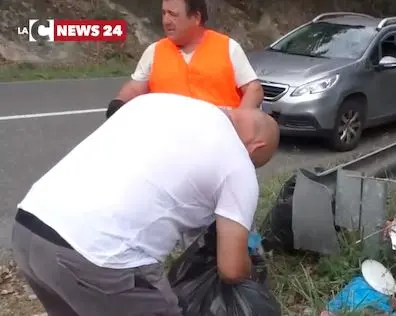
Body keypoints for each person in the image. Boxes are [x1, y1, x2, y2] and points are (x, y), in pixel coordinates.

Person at [11, 92, 279, 316]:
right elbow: (232, 269)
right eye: (256, 163)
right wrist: (254, 280)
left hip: (29, 230)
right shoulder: (238, 163)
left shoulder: (159, 102)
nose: (251, 167)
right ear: (257, 146)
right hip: (97, 258)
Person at [106, 0, 264, 118]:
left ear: (195, 17)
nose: (166, 21)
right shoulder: (154, 51)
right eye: (164, 13)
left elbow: (254, 90)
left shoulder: (229, 48)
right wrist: (119, 103)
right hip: (170, 143)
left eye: (173, 14)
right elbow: (136, 87)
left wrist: (239, 122)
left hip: (217, 142)